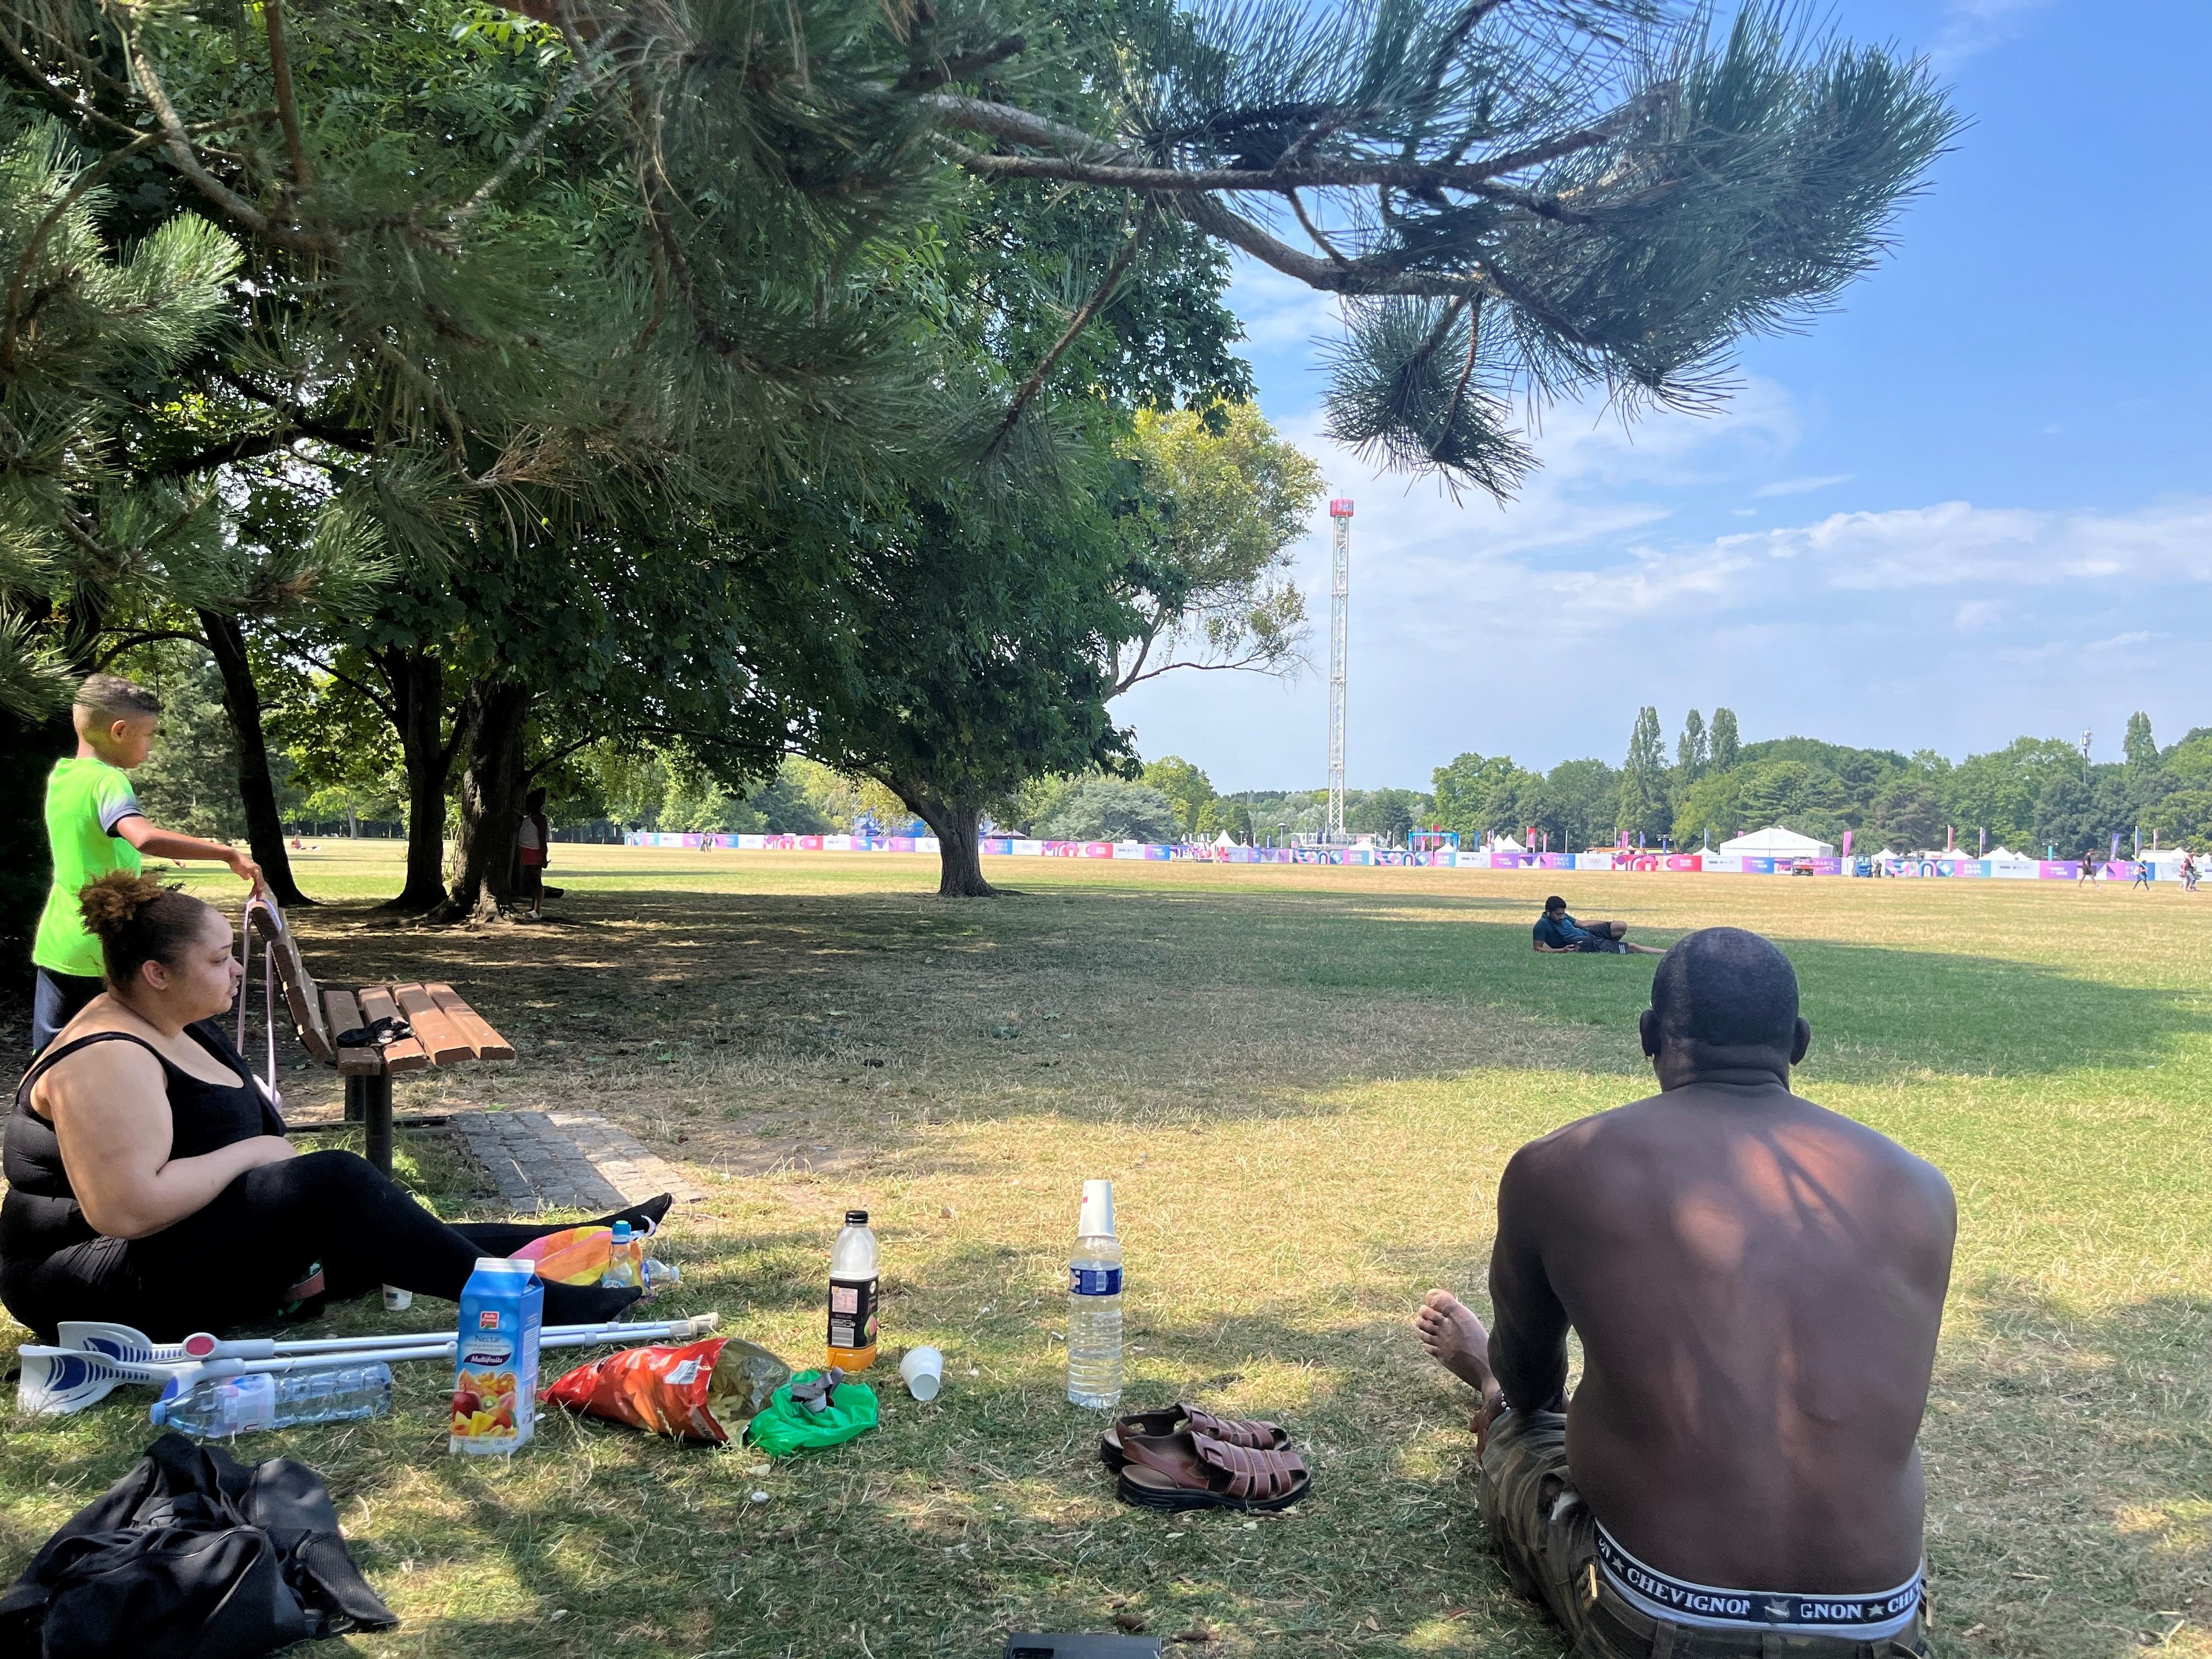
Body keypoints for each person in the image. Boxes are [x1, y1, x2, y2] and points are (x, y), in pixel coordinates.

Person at [1415, 928, 1953, 1657]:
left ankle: (1480, 1381)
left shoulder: (1560, 1167)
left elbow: (1536, 1378)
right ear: (1798, 1043)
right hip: (1879, 1628)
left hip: (1661, 1616)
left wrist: (1502, 1378)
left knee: (1519, 1421)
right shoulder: (1919, 1188)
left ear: (1648, 1035)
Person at [1, 873, 659, 1342]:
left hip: (165, 1251)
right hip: (88, 1285)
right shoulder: (105, 1057)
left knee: (381, 1234)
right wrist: (257, 1154)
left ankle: (597, 1240)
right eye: (220, 958)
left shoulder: (171, 1019)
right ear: (157, 973)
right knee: (337, 1184)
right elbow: (126, 1210)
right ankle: (551, 1307)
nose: (236, 971)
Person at [31, 675, 264, 1054]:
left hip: (59, 941)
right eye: (149, 735)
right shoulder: (110, 781)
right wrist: (226, 852)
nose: (151, 746)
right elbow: (142, 836)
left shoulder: (63, 777)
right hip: (103, 944)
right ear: (120, 731)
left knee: (52, 1056)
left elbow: (96, 838)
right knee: (122, 1054)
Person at [1532, 896, 1664, 956]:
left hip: (1587, 932)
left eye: (1563, 914)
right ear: (1548, 912)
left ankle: (1609, 943)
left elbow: (1582, 924)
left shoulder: (1564, 917)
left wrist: (1607, 923)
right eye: (1558, 915)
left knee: (1620, 926)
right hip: (1588, 943)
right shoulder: (1542, 925)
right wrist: (1561, 951)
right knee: (1633, 947)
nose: (1561, 917)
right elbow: (1538, 948)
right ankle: (1667, 953)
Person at [518, 787, 551, 919]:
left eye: (528, 804)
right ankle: (533, 909)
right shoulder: (530, 818)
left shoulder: (540, 820)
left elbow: (542, 840)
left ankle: (537, 911)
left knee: (536, 882)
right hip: (527, 852)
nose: (526, 806)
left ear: (534, 805)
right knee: (532, 882)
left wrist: (543, 857)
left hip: (534, 852)